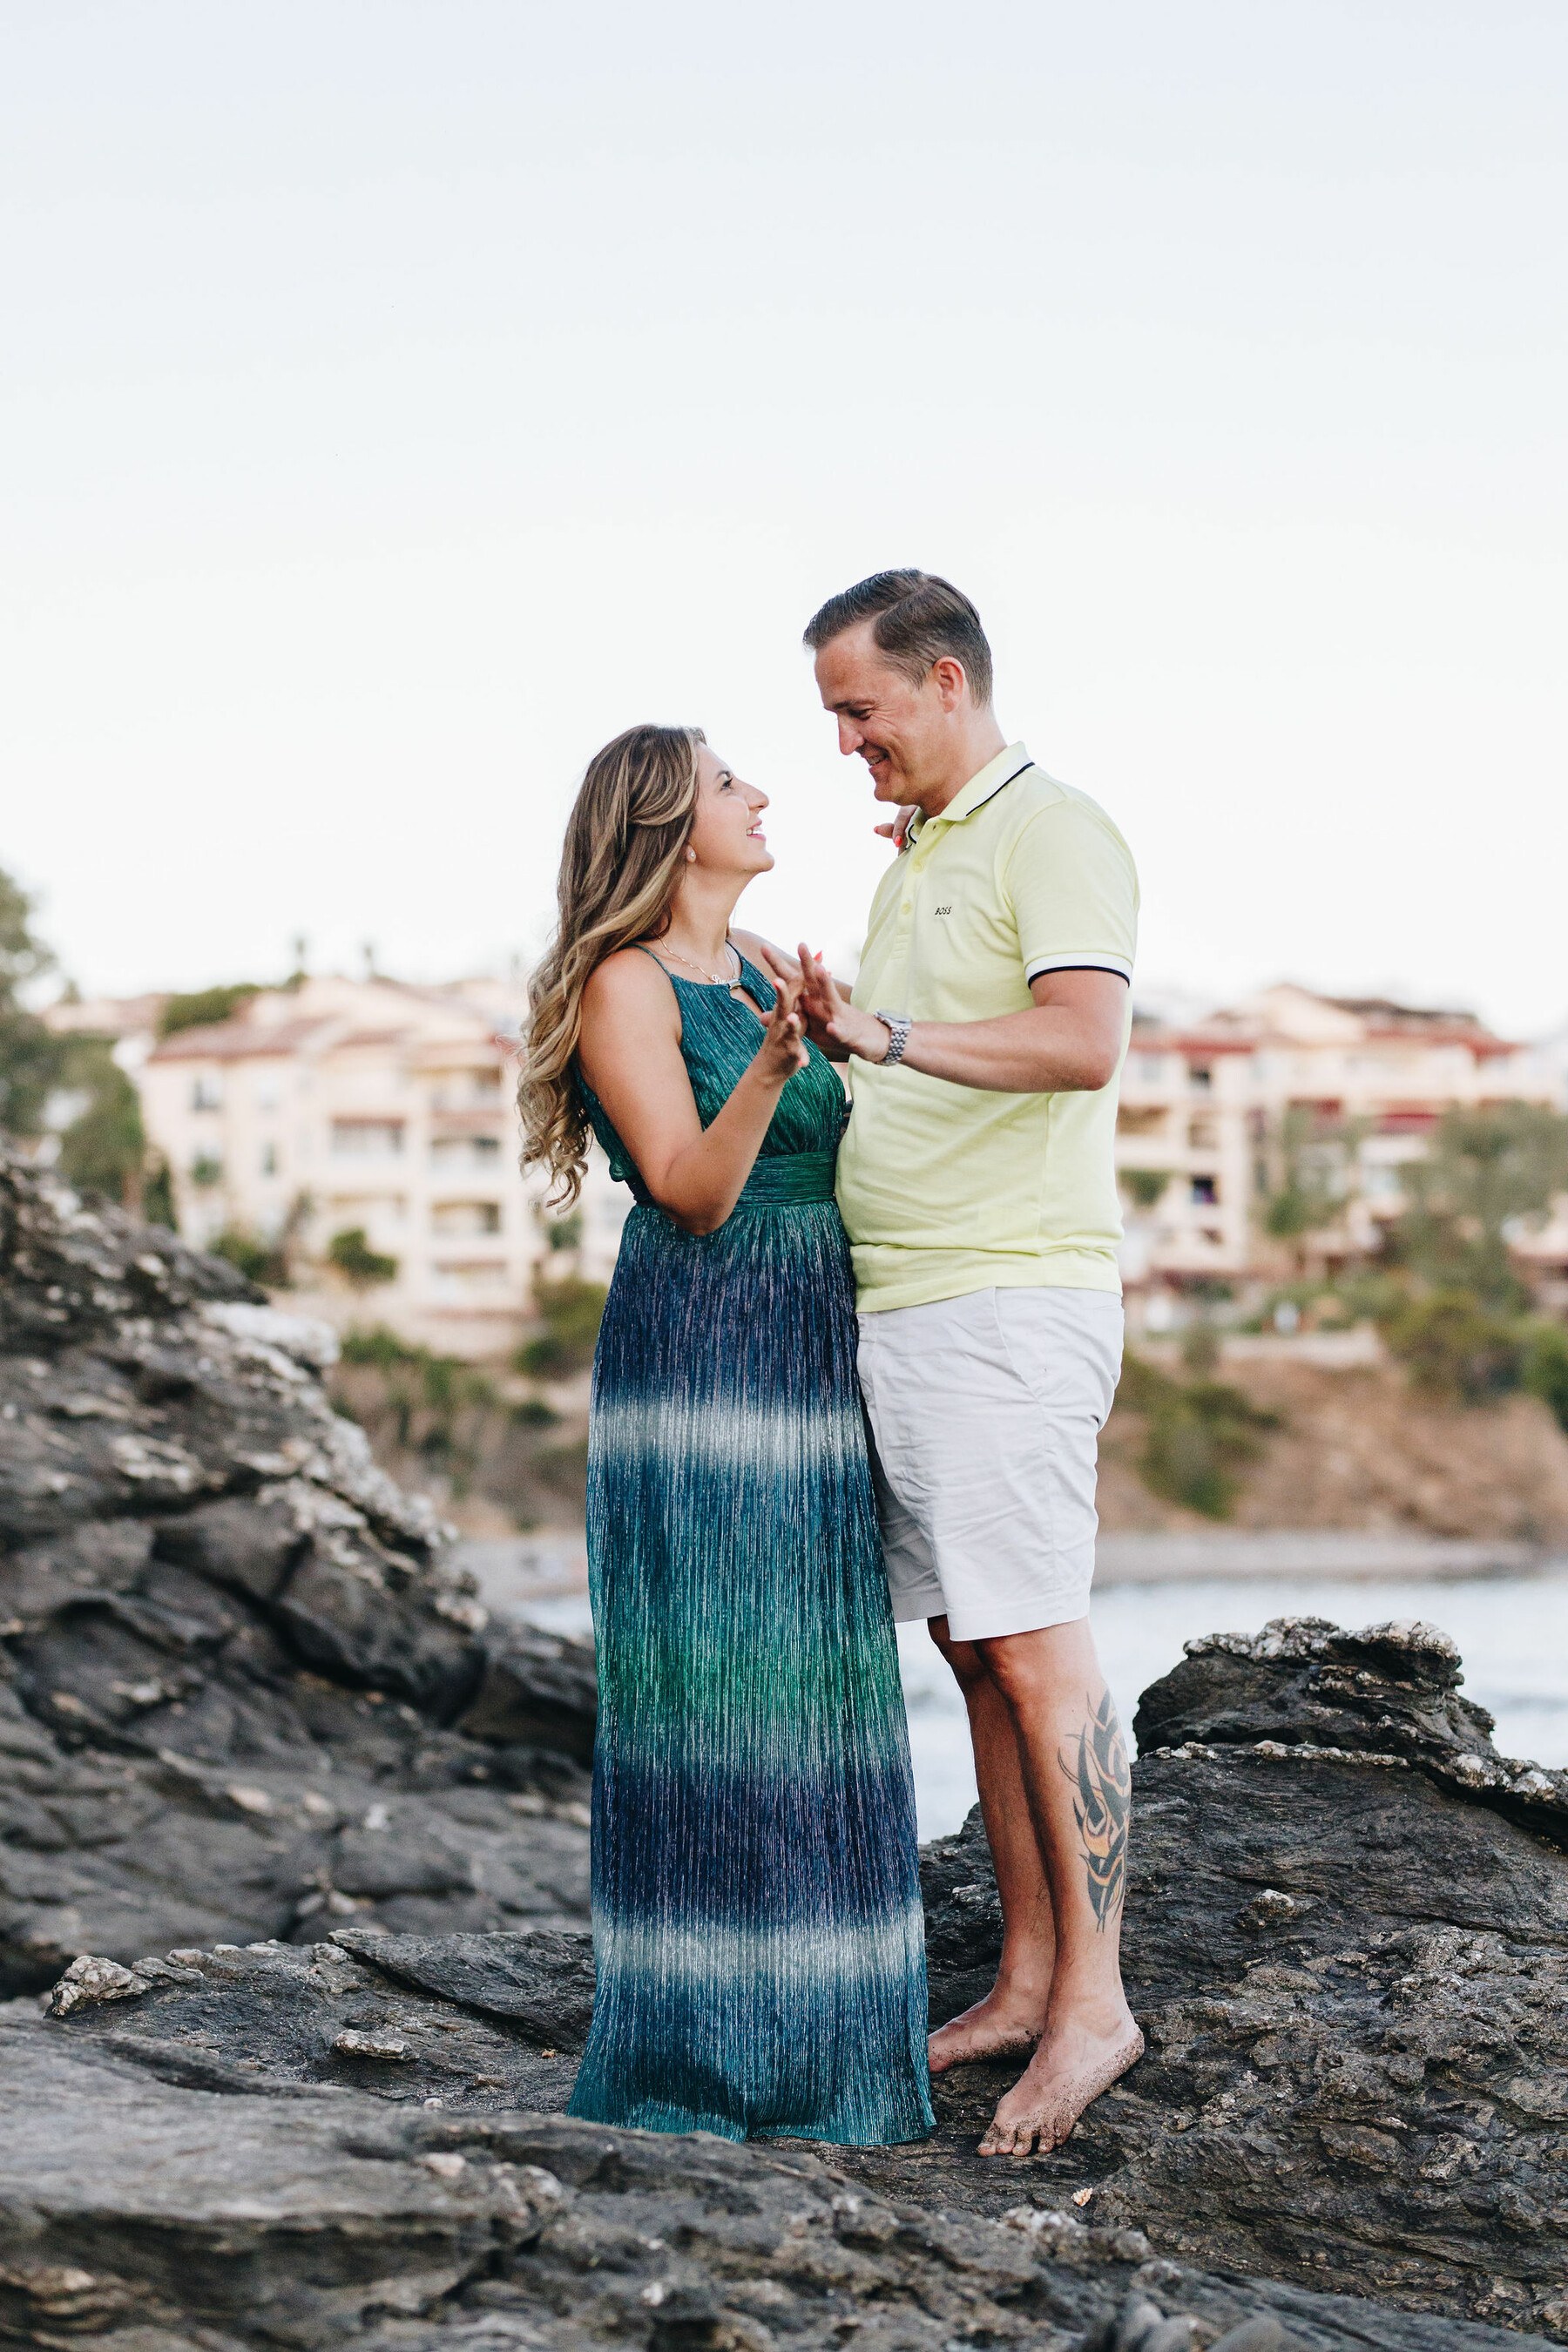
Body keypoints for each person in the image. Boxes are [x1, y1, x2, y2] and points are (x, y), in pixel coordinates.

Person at [518, 721, 933, 2148]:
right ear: (668, 826)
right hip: (702, 1360)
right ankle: (705, 2058)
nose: (762, 797)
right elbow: (690, 1189)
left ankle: (831, 2051)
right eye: (730, 784)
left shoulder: (769, 964)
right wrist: (769, 1061)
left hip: (816, 1346)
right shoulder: (624, 983)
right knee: (713, 1691)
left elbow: (877, 1108)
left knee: (814, 1680)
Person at [785, 570, 1142, 2159]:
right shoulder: (930, 851)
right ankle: (1019, 1979)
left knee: (1038, 1648)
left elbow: (1081, 1041)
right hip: (913, 1306)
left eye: (861, 711)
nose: (849, 745)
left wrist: (887, 1038)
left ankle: (1097, 2005)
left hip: (1007, 1302)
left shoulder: (1054, 826)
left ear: (943, 680)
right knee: (974, 1649)